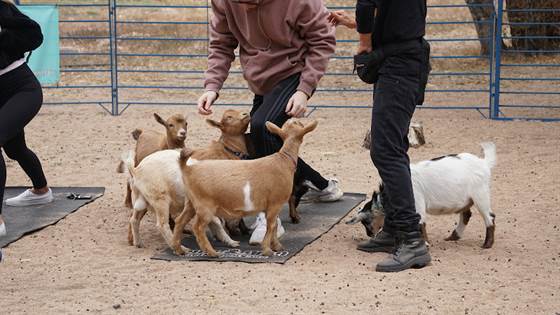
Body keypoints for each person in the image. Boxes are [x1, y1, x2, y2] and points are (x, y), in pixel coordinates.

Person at [197, 0, 343, 244]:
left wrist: (304, 89)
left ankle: (269, 221)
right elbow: (222, 43)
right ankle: (320, 184)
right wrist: (212, 86)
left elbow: (322, 41)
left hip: (294, 72)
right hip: (261, 77)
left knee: (263, 128)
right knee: (259, 141)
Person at [329, 1, 432, 272]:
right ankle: (396, 228)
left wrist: (363, 42)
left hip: (399, 65)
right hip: (401, 59)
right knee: (390, 146)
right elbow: (393, 14)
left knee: (386, 151)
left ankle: (412, 241)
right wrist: (356, 24)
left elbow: (367, 5)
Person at [0, 0, 53, 248]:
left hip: (22, 88)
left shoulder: (3, 9)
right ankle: (41, 191)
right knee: (14, 148)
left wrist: (4, 22)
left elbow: (34, 35)